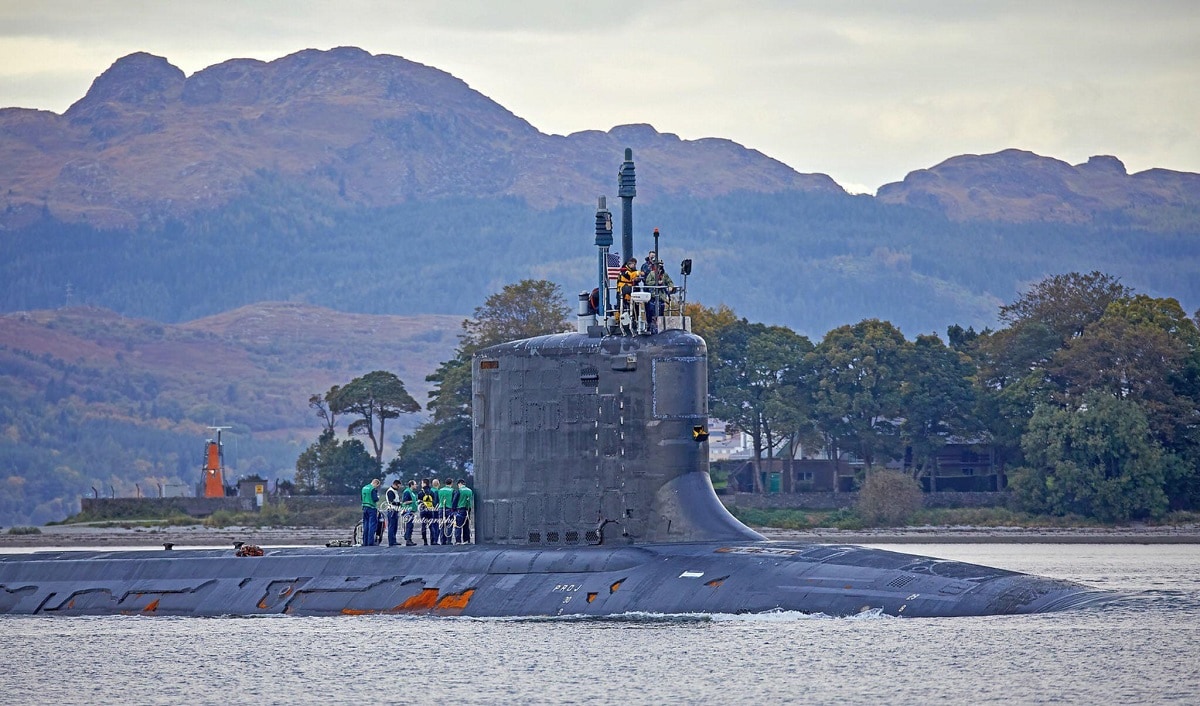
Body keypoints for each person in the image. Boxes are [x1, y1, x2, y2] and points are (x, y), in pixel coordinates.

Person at [642, 260, 675, 334]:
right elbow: (648, 282)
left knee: (661, 313)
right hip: (653, 296)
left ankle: (659, 327)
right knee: (651, 313)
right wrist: (656, 283)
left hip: (661, 297)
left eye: (660, 265)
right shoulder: (652, 274)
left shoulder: (664, 275)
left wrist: (670, 287)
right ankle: (651, 327)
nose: (659, 267)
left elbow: (670, 282)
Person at [616, 257, 643, 334]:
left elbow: (634, 278)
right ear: (629, 264)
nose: (634, 266)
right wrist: (638, 273)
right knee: (621, 307)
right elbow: (629, 276)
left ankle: (634, 322)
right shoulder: (624, 270)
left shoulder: (633, 270)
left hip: (631, 292)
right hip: (622, 291)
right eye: (633, 264)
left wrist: (637, 279)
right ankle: (619, 322)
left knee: (634, 307)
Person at [360, 478, 381, 547]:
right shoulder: (372, 489)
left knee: (365, 525)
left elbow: (361, 498)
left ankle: (365, 542)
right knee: (372, 525)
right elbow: (375, 499)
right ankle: (370, 542)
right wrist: (378, 497)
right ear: (375, 483)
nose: (376, 487)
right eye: (377, 486)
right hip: (371, 508)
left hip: (364, 508)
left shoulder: (364, 488)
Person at [452, 479, 474, 544]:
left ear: (459, 484)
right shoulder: (470, 490)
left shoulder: (459, 490)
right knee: (466, 526)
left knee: (458, 526)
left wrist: (453, 510)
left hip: (460, 509)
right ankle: (466, 540)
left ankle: (458, 541)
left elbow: (455, 500)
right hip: (468, 509)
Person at [384, 479, 403, 547]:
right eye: (398, 486)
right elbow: (391, 501)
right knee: (391, 526)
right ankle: (391, 541)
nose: (399, 487)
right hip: (392, 510)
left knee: (395, 526)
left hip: (395, 510)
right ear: (395, 484)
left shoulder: (395, 491)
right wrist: (399, 503)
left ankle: (394, 540)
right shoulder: (390, 491)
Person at [418, 479, 437, 545]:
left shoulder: (420, 493)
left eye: (422, 483)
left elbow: (418, 502)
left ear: (424, 484)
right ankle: (433, 541)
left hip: (423, 511)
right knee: (431, 526)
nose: (421, 484)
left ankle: (425, 541)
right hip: (430, 510)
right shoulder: (432, 492)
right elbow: (434, 502)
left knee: (423, 526)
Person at [400, 480, 418, 546]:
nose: (416, 485)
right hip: (408, 511)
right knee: (409, 526)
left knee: (410, 526)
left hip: (411, 511)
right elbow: (404, 502)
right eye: (415, 484)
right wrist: (413, 501)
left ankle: (407, 537)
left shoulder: (411, 492)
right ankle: (408, 540)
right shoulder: (407, 492)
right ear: (411, 485)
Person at [438, 477, 455, 544]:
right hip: (449, 509)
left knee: (442, 525)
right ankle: (448, 540)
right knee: (449, 525)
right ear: (451, 483)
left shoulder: (440, 490)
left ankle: (442, 541)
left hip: (441, 508)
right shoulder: (452, 490)